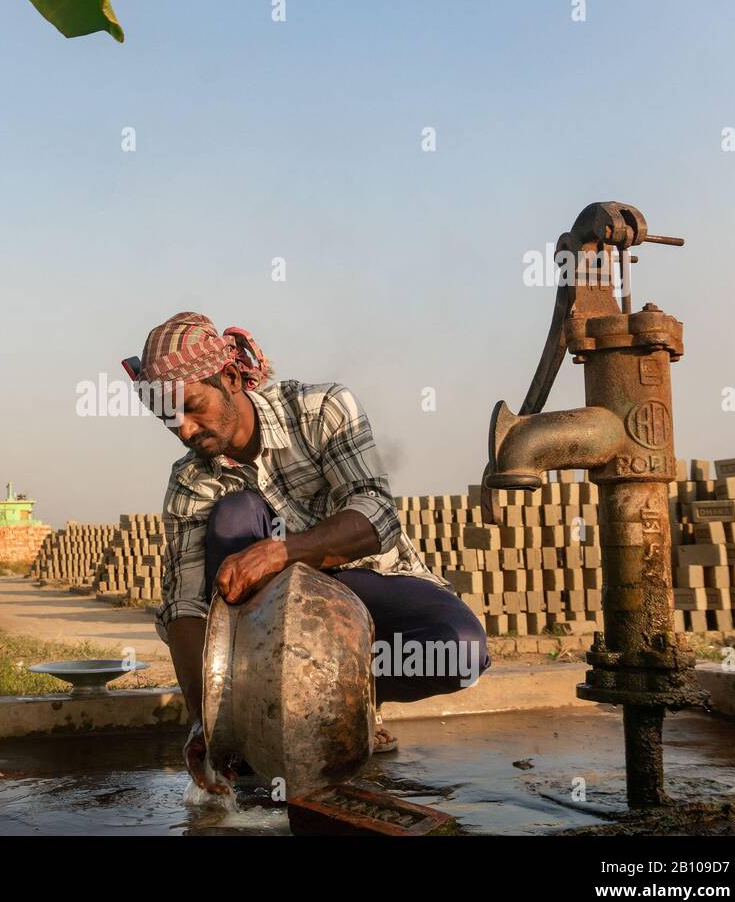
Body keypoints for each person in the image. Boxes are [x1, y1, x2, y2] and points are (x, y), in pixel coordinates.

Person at [125, 312, 490, 793]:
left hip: (365, 584)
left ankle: (350, 704)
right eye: (168, 418)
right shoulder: (192, 481)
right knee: (234, 514)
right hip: (264, 632)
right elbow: (186, 608)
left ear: (231, 378)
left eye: (192, 407)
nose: (185, 430)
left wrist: (282, 553)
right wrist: (204, 721)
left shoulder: (321, 410)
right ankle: (259, 722)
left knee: (458, 651)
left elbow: (375, 513)